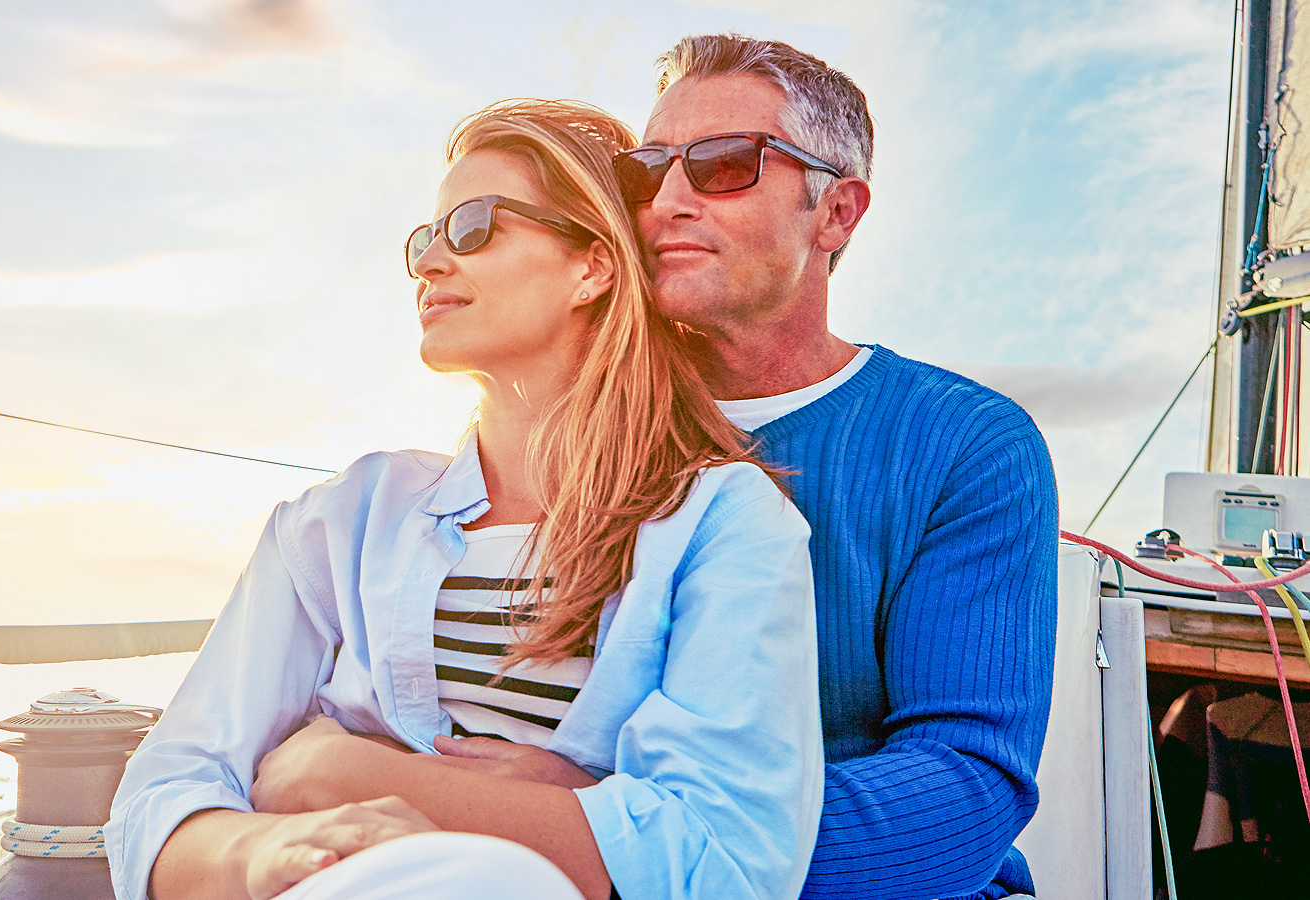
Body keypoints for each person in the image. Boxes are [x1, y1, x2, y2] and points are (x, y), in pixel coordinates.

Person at [105, 99, 821, 900]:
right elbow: (158, 800)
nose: (430, 262)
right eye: (426, 238)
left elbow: (726, 860)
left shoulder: (722, 523)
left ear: (594, 266)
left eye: (475, 226)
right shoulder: (338, 523)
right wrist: (268, 854)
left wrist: (337, 773)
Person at [611, 33, 1058, 900]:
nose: (665, 199)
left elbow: (966, 784)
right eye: (647, 168)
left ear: (838, 213)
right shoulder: (579, 430)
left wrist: (632, 846)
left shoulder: (967, 444)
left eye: (723, 162)